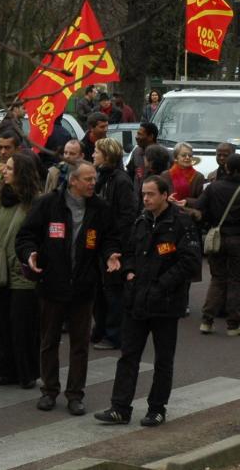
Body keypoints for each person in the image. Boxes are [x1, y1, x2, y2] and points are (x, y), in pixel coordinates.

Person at [95, 175, 201, 428]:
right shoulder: (141, 221)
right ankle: (120, 407)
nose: (145, 198)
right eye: (143, 194)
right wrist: (128, 272)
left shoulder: (181, 223)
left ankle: (156, 408)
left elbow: (190, 262)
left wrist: (161, 285)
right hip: (136, 300)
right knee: (128, 355)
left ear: (165, 195)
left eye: (151, 194)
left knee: (163, 359)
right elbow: (129, 250)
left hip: (166, 303)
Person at [16, 161, 118, 416]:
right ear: (73, 181)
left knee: (80, 344)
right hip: (52, 285)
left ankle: (75, 394)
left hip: (84, 288)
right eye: (88, 179)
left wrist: (111, 255)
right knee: (49, 341)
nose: (93, 183)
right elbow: (25, 236)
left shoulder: (101, 208)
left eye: (94, 178)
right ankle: (49, 391)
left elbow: (110, 238)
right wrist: (30, 254)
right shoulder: (48, 204)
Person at [0, 151, 42, 388]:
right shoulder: (0, 195)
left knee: (23, 325)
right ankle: (5, 370)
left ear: (22, 173)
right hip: (1, 268)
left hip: (23, 272)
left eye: (10, 168)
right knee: (1, 322)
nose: (4, 170)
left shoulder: (36, 200)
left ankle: (26, 372)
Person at [195, 153, 240, 335]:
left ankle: (207, 320)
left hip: (217, 237)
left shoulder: (213, 188)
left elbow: (200, 207)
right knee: (235, 280)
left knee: (217, 279)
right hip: (237, 239)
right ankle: (233, 324)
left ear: (227, 168)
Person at [91, 138, 136, 351]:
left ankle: (114, 334)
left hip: (114, 245)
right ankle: (101, 329)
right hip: (101, 243)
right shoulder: (102, 177)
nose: (92, 155)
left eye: (96, 152)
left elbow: (127, 215)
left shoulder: (121, 180)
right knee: (100, 291)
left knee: (113, 291)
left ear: (106, 155)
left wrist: (116, 243)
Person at [161, 142, 205, 224]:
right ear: (176, 157)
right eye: (184, 155)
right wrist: (167, 198)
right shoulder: (165, 175)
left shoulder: (199, 177)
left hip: (190, 219)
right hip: (168, 218)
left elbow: (203, 201)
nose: (187, 158)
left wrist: (187, 201)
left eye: (190, 155)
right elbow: (159, 196)